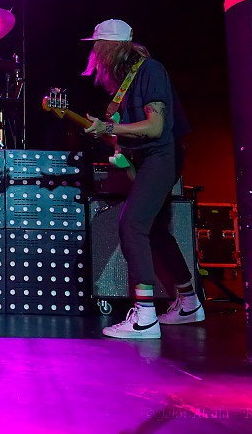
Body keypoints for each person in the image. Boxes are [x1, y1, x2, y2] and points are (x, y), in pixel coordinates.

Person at [80, 19, 202, 339]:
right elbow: (130, 133)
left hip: (162, 154)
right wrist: (116, 144)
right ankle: (189, 302)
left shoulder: (150, 71)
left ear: (110, 48)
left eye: (97, 47)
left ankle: (145, 316)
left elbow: (155, 127)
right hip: (148, 158)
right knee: (156, 230)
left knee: (132, 224)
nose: (94, 54)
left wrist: (109, 128)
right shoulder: (127, 82)